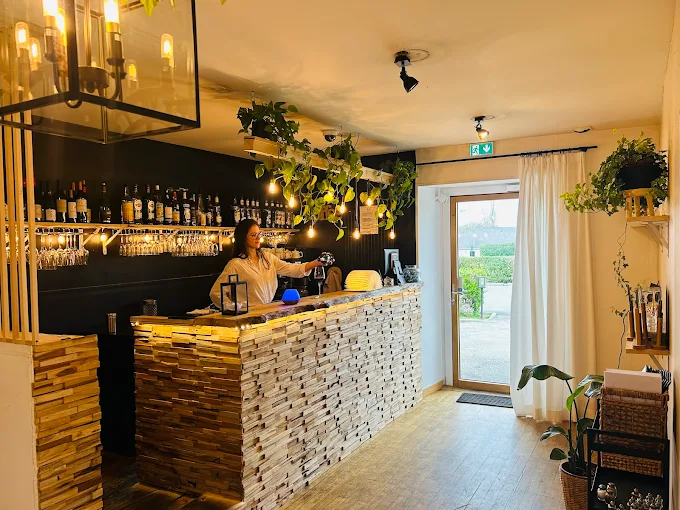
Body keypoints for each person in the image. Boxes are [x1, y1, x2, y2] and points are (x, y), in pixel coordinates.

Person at [210, 218, 327, 307]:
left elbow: (292, 269)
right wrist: (233, 308)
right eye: (253, 235)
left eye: (259, 234)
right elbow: (216, 293)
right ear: (243, 238)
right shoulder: (236, 264)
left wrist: (317, 262)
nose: (258, 238)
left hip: (267, 311)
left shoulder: (268, 258)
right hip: (248, 315)